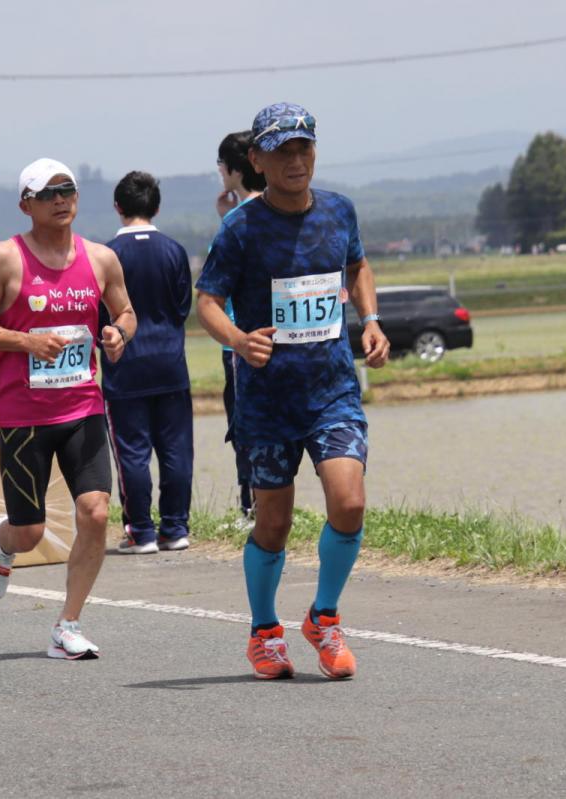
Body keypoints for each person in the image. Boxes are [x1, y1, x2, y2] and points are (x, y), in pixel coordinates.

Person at [195, 103, 390, 681]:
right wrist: (237, 340)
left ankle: (324, 617)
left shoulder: (338, 210)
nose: (295, 159)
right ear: (257, 159)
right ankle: (264, 630)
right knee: (274, 523)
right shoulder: (240, 228)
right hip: (267, 400)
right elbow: (205, 301)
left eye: (304, 148)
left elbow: (356, 267)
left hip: (332, 390)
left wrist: (372, 319)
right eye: (282, 150)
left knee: (349, 502)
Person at [0, 157, 136, 660]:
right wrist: (24, 342)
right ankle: (5, 543)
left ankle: (68, 624)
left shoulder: (100, 258)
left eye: (68, 189)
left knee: (95, 513)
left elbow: (125, 310)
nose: (61, 199)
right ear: (25, 204)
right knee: (31, 531)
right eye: (48, 192)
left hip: (83, 406)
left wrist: (118, 333)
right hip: (24, 415)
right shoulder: (4, 258)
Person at [100, 171, 194, 555]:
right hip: (171, 363)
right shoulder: (174, 250)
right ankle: (175, 528)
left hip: (125, 366)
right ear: (156, 206)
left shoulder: (106, 255)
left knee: (132, 451)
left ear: (118, 207)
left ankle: (141, 531)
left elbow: (98, 316)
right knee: (176, 450)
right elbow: (182, 306)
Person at [214, 131, 267, 523]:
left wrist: (224, 219)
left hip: (238, 340)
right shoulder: (273, 210)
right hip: (277, 336)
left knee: (243, 422)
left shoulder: (236, 220)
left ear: (234, 169)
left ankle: (251, 505)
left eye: (221, 166)